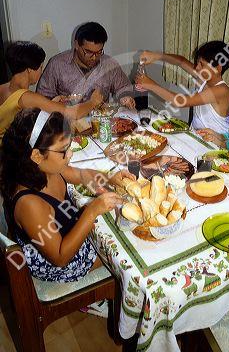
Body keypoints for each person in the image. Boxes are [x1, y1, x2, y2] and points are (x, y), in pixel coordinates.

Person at [0, 108, 134, 283]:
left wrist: (110, 177)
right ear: (37, 156)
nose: (70, 154)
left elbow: (81, 175)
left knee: (120, 230)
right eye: (64, 150)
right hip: (61, 261)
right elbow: (60, 257)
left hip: (64, 233)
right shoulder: (29, 204)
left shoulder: (51, 169)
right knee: (128, 255)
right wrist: (91, 211)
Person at [0, 41, 103, 145]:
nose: (41, 71)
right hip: (10, 154)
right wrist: (93, 102)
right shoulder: (27, 97)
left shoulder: (3, 88)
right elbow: (71, 114)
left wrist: (51, 103)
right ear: (30, 70)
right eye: (40, 67)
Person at [137, 41, 229, 133]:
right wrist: (156, 56)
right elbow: (181, 61)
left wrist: (150, 84)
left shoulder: (222, 90)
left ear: (217, 68)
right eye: (197, 62)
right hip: (197, 136)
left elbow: (179, 102)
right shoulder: (204, 78)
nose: (197, 67)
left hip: (216, 145)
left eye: (202, 64)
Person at [37, 22, 135, 109]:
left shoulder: (109, 64)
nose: (94, 57)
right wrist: (58, 101)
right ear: (76, 45)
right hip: (67, 123)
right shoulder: (57, 64)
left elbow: (124, 88)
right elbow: (42, 98)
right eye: (88, 52)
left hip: (100, 122)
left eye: (99, 52)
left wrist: (125, 97)